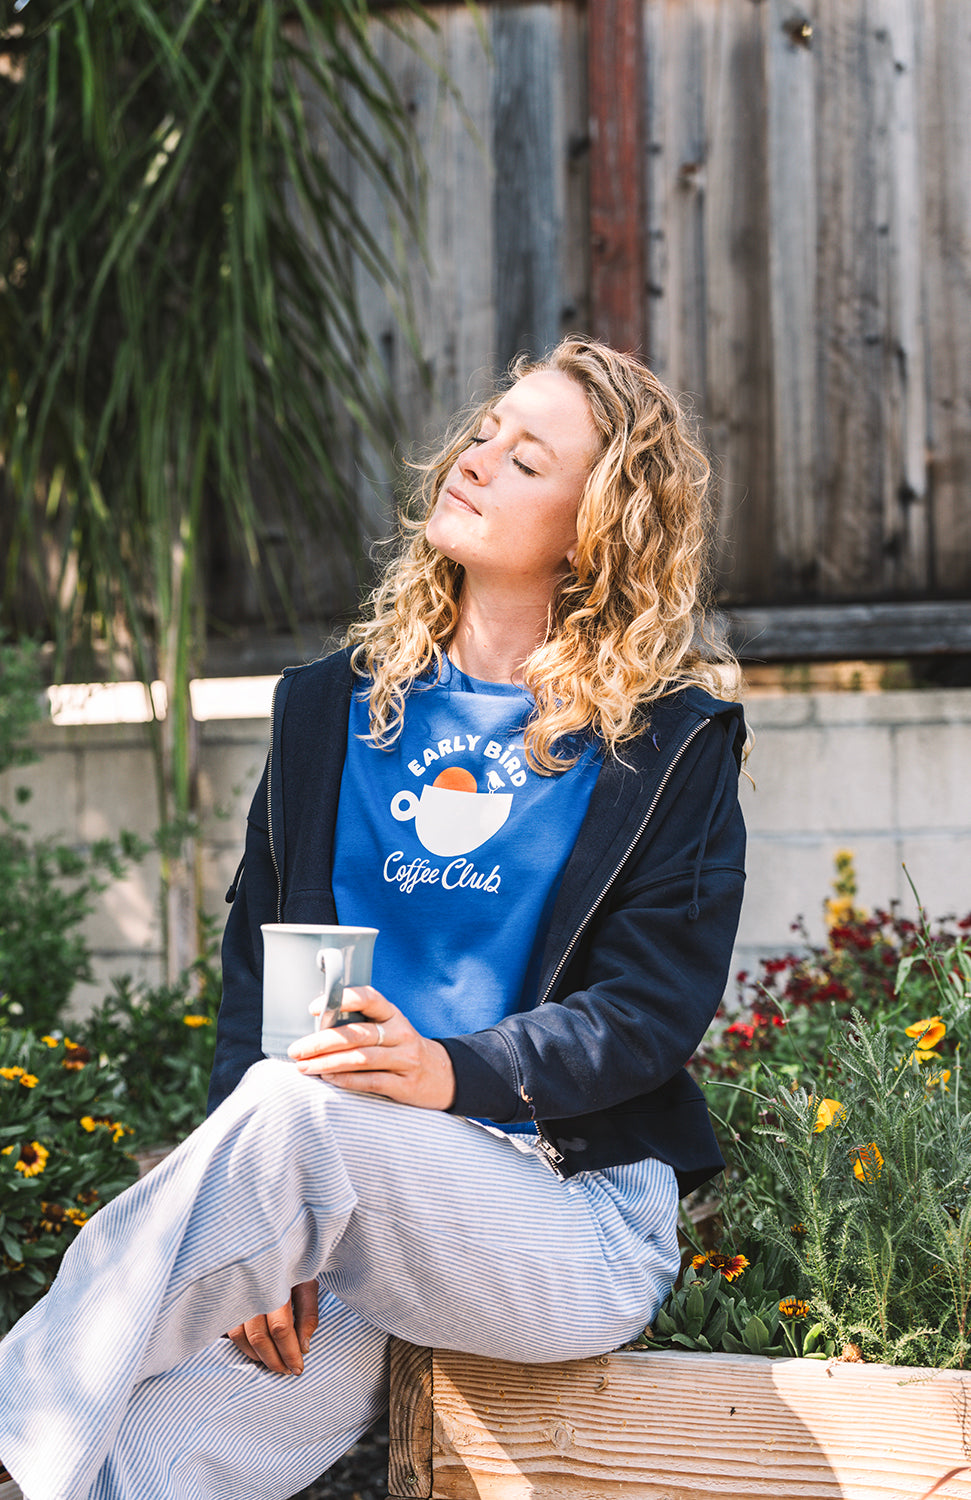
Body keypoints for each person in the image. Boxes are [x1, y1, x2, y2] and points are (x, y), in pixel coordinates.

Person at [0, 337, 747, 1500]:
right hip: (324, 1189)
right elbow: (260, 990)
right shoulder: (325, 712)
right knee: (150, 1462)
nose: (476, 459)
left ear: (596, 529)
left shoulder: (666, 743)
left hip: (559, 1215)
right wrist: (257, 1238)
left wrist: (447, 1072)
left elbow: (647, 1015)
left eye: (527, 457)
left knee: (300, 1112)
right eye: (486, 431)